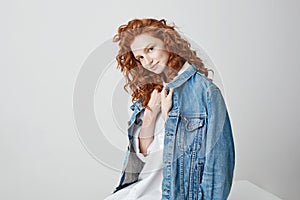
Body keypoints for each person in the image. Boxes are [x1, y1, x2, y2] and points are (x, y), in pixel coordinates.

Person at [104, 18, 235, 200]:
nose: (147, 61)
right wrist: (150, 114)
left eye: (150, 49)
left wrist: (171, 118)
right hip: (140, 190)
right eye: (140, 57)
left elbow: (219, 162)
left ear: (168, 42)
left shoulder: (205, 92)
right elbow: (142, 157)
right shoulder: (149, 92)